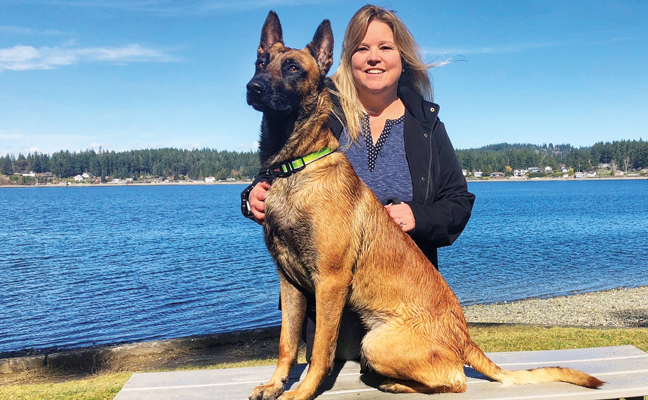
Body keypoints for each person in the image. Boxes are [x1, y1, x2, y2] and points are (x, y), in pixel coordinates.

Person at [241, 4, 475, 361]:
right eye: (362, 49)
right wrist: (252, 196)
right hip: (328, 321)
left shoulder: (426, 126)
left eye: (385, 47)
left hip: (398, 306)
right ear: (346, 59)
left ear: (402, 57)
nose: (373, 58)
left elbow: (458, 201)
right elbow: (278, 167)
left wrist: (418, 217)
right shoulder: (322, 109)